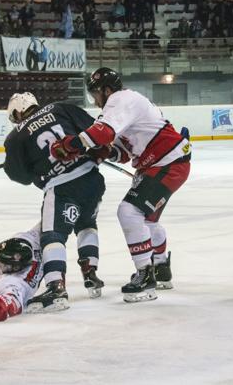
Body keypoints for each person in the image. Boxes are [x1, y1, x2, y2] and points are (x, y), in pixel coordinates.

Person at [50, 68, 191, 303]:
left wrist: (72, 144)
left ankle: (145, 275)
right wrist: (102, 152)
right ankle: (161, 268)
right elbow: (124, 152)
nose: (95, 100)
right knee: (147, 220)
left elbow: (102, 132)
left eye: (96, 94)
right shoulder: (124, 105)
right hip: (166, 162)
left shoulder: (121, 99)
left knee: (129, 211)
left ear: (106, 90)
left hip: (167, 162)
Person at [3, 92, 106, 313]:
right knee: (87, 224)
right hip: (92, 180)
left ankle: (55, 288)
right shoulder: (61, 108)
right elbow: (95, 131)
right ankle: (91, 274)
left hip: (62, 188)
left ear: (18, 113)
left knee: (52, 236)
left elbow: (19, 176)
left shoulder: (15, 137)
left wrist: (36, 167)